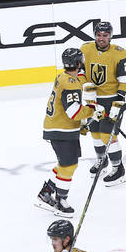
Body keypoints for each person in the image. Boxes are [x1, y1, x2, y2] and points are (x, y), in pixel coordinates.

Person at [37, 47, 103, 217]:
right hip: (61, 130)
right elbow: (73, 111)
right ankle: (61, 201)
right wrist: (92, 112)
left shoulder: (62, 76)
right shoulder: (70, 83)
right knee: (69, 165)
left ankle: (46, 192)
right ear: (79, 63)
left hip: (60, 127)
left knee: (65, 164)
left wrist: (82, 122)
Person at [80, 21, 126, 186]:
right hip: (93, 99)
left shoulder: (120, 53)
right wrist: (86, 85)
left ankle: (118, 169)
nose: (101, 38)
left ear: (110, 36)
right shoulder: (85, 49)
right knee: (94, 132)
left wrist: (119, 100)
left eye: (105, 35)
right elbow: (79, 70)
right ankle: (102, 160)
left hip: (112, 99)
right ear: (94, 35)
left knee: (107, 134)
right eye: (99, 35)